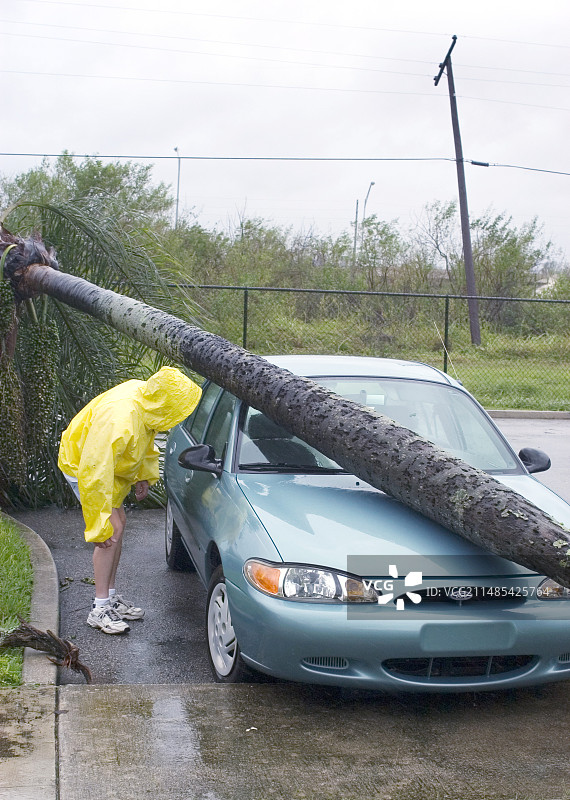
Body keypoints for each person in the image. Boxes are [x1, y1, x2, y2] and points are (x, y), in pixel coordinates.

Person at [58, 366, 202, 635]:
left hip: (109, 467)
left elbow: (146, 435)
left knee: (119, 523)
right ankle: (99, 609)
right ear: (165, 402)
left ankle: (109, 598)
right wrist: (98, 525)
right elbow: (94, 473)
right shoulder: (119, 420)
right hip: (84, 464)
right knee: (110, 531)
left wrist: (142, 476)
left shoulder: (146, 400)